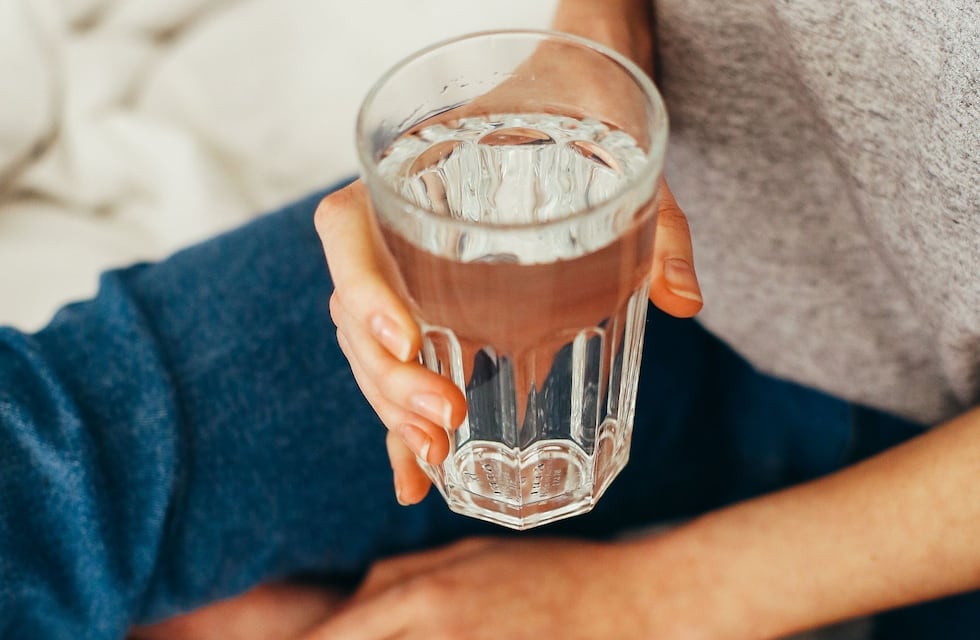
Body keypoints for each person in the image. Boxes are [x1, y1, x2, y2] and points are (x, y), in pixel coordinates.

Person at [1, 0, 977, 638]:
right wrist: (593, 42)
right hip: (643, 229)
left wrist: (646, 602)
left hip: (938, 482)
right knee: (37, 467)